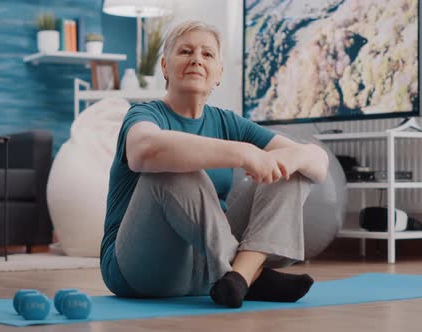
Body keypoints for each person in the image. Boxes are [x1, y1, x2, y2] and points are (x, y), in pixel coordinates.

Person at [100, 20, 329, 308]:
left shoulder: (227, 121)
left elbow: (319, 164)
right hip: (138, 271)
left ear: (218, 72)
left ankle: (240, 278)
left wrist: (293, 157)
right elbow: (145, 150)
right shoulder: (144, 114)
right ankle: (252, 277)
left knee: (292, 171)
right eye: (185, 51)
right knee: (171, 168)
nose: (196, 59)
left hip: (207, 269)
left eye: (207, 54)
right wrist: (244, 153)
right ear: (164, 67)